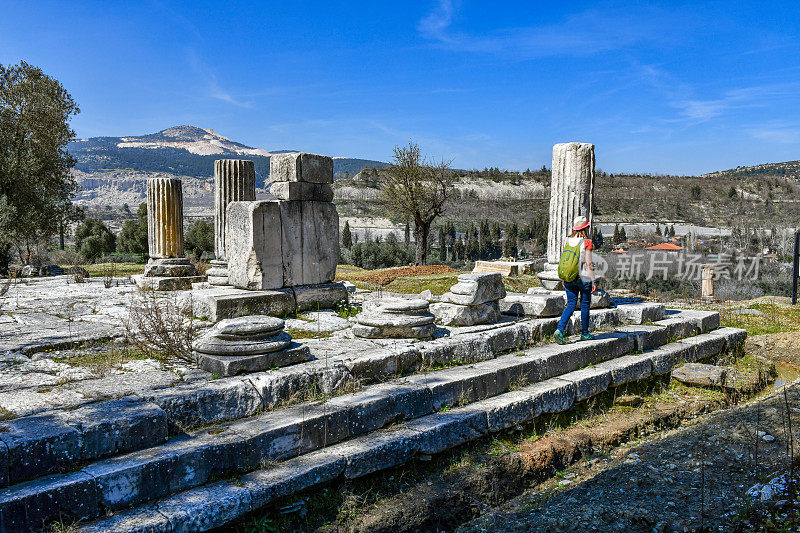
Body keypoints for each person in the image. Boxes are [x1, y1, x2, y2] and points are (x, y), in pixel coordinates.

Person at [554, 215, 596, 344]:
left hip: (569, 277)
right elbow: (588, 262)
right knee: (584, 305)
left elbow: (564, 259)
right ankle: (585, 333)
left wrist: (564, 276)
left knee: (571, 304)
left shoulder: (567, 240)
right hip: (583, 278)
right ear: (586, 228)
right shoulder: (586, 242)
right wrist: (593, 280)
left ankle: (560, 330)